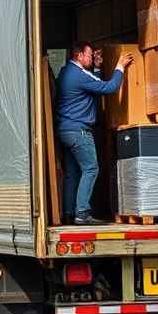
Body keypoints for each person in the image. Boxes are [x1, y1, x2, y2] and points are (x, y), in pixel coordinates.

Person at [55, 41, 133, 225]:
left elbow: (93, 86)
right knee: (91, 169)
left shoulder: (66, 72)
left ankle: (68, 212)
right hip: (78, 131)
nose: (92, 58)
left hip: (66, 130)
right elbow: (108, 88)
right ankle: (82, 213)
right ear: (79, 56)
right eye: (90, 55)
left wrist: (97, 68)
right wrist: (120, 66)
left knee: (72, 173)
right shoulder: (79, 75)